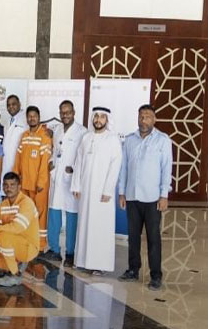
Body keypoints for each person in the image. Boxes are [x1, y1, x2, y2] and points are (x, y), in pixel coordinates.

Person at [117, 104, 172, 290]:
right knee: (133, 237)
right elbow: (124, 168)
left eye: (147, 116)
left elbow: (166, 169)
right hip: (132, 196)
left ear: (154, 119)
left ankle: (155, 275)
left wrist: (164, 195)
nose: (143, 120)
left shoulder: (163, 140)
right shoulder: (130, 140)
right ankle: (133, 270)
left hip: (152, 198)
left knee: (153, 238)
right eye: (141, 116)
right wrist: (122, 192)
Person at [69, 106, 122, 276]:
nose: (98, 120)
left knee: (100, 227)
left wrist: (108, 190)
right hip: (85, 190)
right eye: (96, 116)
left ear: (107, 120)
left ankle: (99, 265)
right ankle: (82, 261)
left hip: (102, 193)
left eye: (102, 117)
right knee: (84, 225)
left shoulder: (112, 139)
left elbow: (115, 166)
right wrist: (76, 185)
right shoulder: (86, 138)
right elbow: (78, 163)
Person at [43, 100, 87, 266]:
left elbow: (83, 157)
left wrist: (74, 169)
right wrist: (50, 163)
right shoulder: (57, 130)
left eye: (68, 112)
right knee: (54, 212)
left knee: (71, 215)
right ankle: (54, 250)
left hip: (72, 179)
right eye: (62, 112)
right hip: (57, 176)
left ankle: (70, 253)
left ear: (74, 113)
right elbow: (54, 151)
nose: (65, 115)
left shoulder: (82, 132)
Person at [0, 172, 39, 287]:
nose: (8, 188)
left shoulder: (27, 203)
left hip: (28, 246)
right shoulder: (4, 204)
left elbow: (17, 227)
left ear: (19, 187)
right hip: (12, 244)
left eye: (12, 185)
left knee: (3, 236)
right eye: (6, 185)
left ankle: (15, 274)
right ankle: (13, 265)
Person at [13, 105, 52, 250]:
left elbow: (45, 161)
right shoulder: (24, 136)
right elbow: (18, 158)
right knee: (25, 213)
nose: (32, 118)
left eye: (34, 116)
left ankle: (40, 245)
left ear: (39, 117)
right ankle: (26, 241)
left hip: (39, 185)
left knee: (40, 214)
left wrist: (41, 182)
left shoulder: (44, 136)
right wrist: (15, 178)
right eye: (29, 116)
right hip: (24, 183)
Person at [1, 95, 26, 193]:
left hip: (18, 162)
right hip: (6, 162)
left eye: (13, 104)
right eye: (8, 105)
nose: (11, 107)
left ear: (19, 104)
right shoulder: (8, 121)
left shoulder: (25, 119)